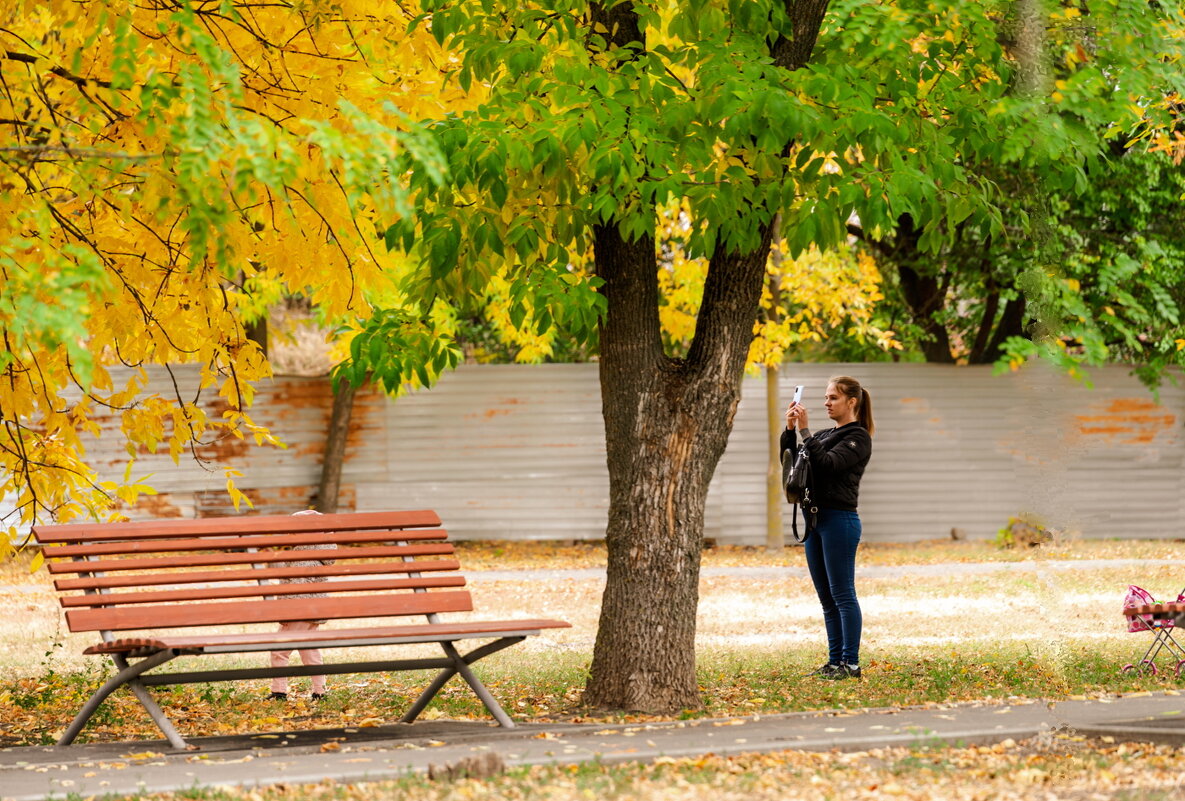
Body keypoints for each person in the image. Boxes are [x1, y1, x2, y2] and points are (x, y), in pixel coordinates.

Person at [782, 375, 874, 681]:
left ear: (852, 402)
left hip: (840, 521)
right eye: (825, 398)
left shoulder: (858, 437)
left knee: (843, 594)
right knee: (827, 598)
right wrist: (791, 430)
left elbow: (829, 465)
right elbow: (794, 461)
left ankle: (852, 663)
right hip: (815, 521)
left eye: (833, 398)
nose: (826, 403)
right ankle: (835, 663)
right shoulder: (822, 434)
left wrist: (806, 432)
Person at [268, 509, 335, 701]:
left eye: (293, 530)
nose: (289, 534)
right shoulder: (317, 554)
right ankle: (319, 690)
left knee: (279, 651)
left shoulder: (302, 557)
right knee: (309, 650)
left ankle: (278, 691)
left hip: (298, 611)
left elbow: (297, 589)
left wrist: (286, 614)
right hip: (312, 611)